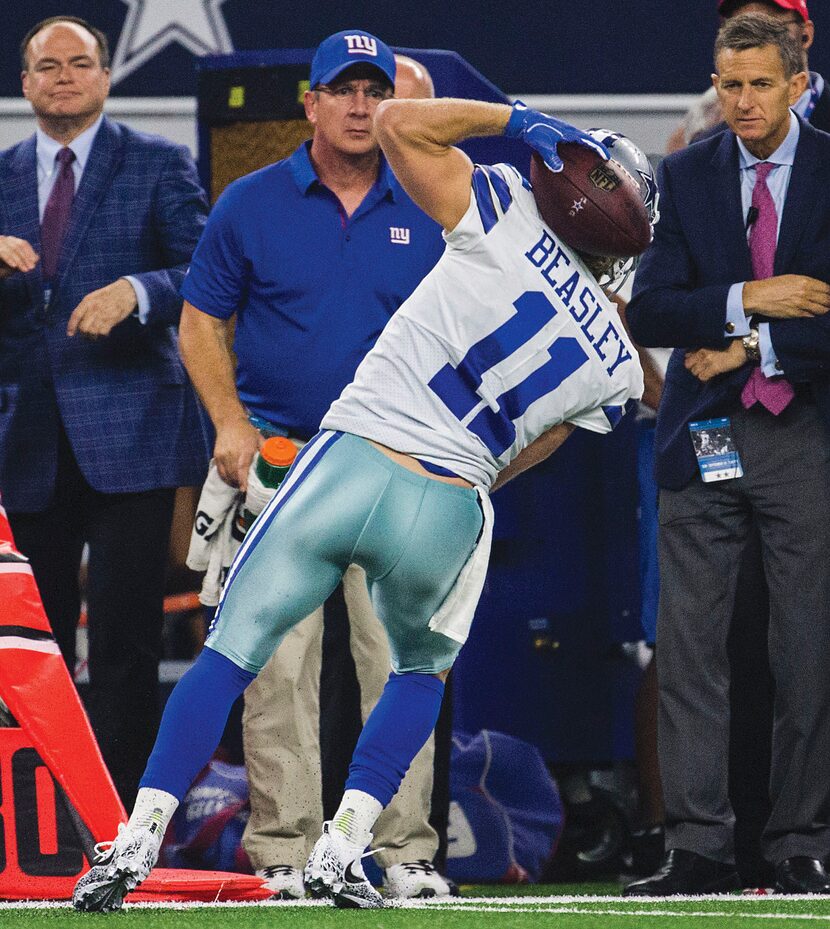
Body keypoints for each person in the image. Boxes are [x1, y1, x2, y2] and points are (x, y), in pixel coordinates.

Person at [71, 94, 651, 912]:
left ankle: (137, 838)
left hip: (352, 458)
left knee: (233, 652)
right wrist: (474, 481)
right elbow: (545, 442)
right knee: (418, 673)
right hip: (454, 501)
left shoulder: (503, 210)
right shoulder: (618, 364)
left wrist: (517, 120)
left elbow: (398, 125)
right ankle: (347, 842)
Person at [177, 33, 451, 899]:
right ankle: (286, 856)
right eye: (344, 91)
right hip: (284, 465)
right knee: (277, 669)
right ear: (312, 103)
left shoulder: (429, 200)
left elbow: (463, 333)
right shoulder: (250, 203)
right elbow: (198, 321)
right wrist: (228, 419)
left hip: (396, 465)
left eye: (374, 91)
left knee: (399, 662)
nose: (361, 107)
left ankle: (402, 852)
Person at [624, 12, 830, 896]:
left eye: (756, 85)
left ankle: (799, 841)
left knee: (807, 649)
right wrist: (752, 294)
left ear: (795, 82)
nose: (740, 102)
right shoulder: (684, 171)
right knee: (691, 647)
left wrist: (752, 344)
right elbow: (653, 310)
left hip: (803, 431)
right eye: (728, 84)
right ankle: (698, 844)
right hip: (704, 434)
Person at [0, 16, 209, 806]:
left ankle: (123, 825)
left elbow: (206, 272)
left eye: (78, 63)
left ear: (105, 75)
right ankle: (42, 822)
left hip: (133, 434)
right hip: (25, 441)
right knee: (32, 648)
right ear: (24, 84)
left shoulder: (157, 164)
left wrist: (139, 291)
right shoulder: (3, 175)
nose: (62, 76)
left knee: (124, 644)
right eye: (45, 65)